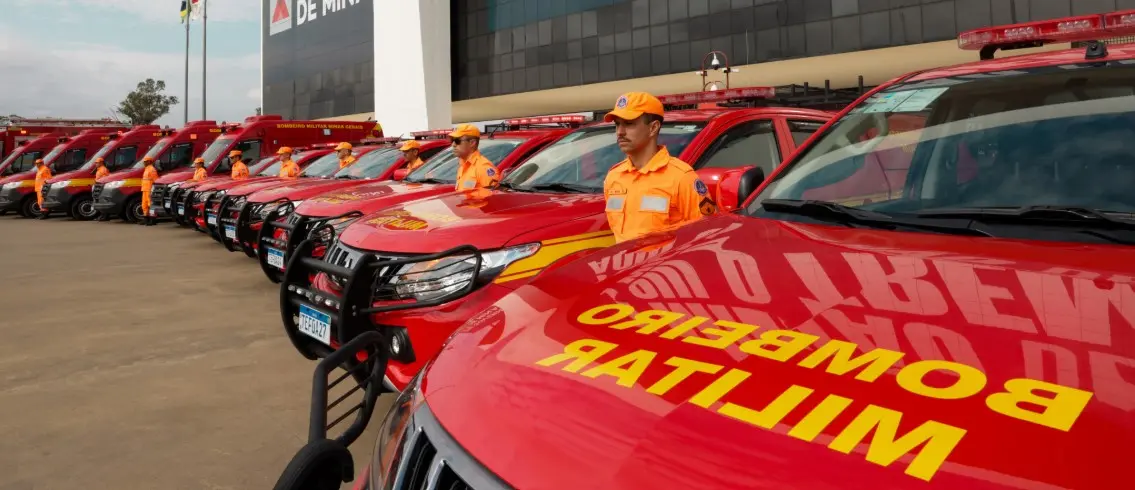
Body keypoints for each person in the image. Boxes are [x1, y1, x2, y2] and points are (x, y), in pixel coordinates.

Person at [602, 92, 716, 244]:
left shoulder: (681, 177)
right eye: (617, 124)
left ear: (653, 128)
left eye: (629, 124)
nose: (620, 132)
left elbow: (709, 235)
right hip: (626, 266)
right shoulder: (614, 177)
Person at [449, 124, 498, 191]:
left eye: (458, 141)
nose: (453, 144)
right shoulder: (462, 165)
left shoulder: (484, 167)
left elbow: (492, 198)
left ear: (472, 143)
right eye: (452, 140)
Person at [140, 156, 159, 226]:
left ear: (149, 162)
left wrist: (153, 190)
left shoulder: (152, 169)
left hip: (149, 189)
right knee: (144, 205)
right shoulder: (147, 169)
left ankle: (153, 219)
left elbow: (156, 180)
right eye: (144, 162)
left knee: (151, 204)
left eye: (145, 161)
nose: (144, 163)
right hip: (145, 189)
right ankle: (146, 219)